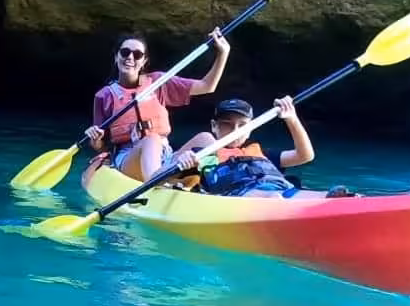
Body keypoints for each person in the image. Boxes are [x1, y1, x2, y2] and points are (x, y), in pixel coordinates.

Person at [82, 30, 231, 183]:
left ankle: (188, 176)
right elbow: (101, 147)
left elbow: (207, 86)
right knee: (151, 139)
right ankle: (158, 179)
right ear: (116, 57)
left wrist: (223, 53)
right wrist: (95, 139)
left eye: (137, 55)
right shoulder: (104, 96)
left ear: (144, 61)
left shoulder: (159, 82)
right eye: (125, 52)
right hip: (128, 158)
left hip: (165, 155)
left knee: (206, 139)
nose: (130, 58)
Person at [164, 95, 346, 198]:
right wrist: (181, 162)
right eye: (227, 124)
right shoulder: (201, 154)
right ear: (214, 126)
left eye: (242, 125)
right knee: (274, 197)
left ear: (250, 129)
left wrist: (292, 118)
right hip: (241, 197)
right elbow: (167, 179)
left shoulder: (261, 155)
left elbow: (305, 155)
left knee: (310, 194)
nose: (234, 130)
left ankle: (334, 200)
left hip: (278, 190)